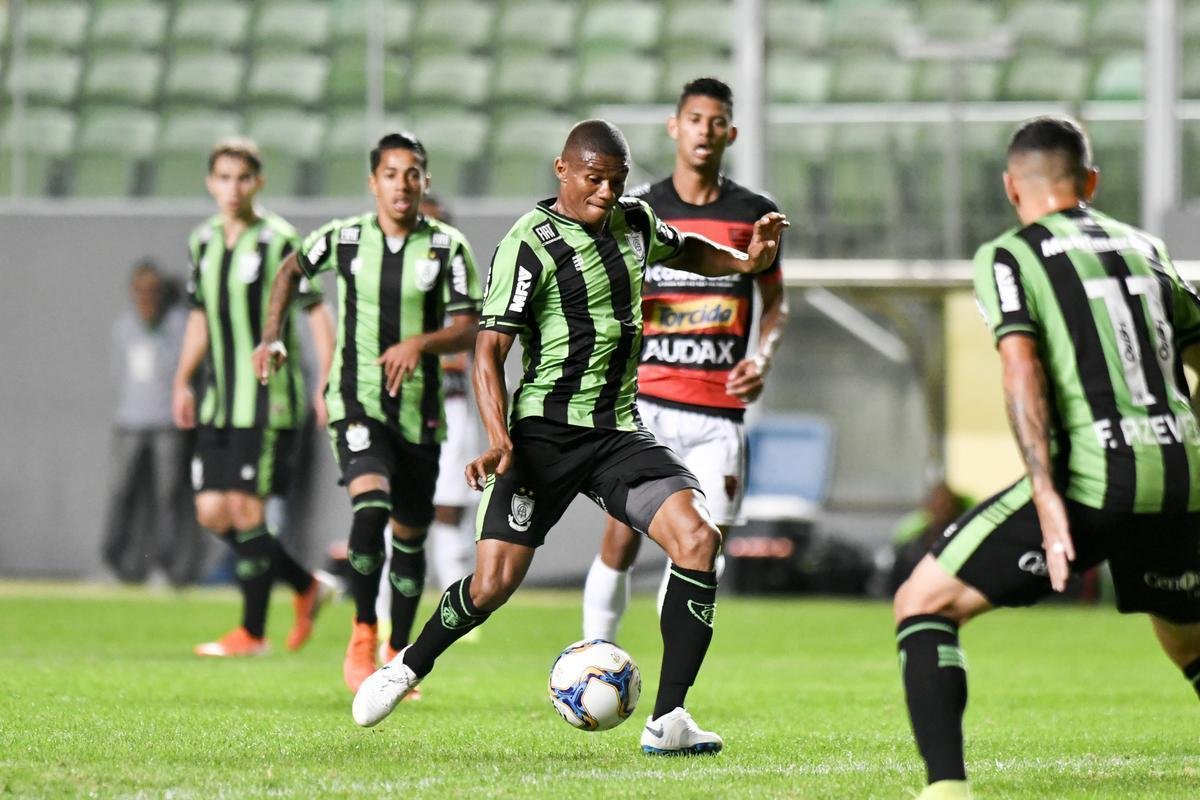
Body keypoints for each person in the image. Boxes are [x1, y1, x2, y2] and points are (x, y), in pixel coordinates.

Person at [350, 119, 788, 756]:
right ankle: (407, 665)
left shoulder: (634, 223)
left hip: (617, 434)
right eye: (594, 180)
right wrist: (500, 439)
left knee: (698, 540)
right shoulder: (529, 245)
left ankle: (669, 721)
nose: (607, 192)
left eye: (616, 180)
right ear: (563, 170)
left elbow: (686, 248)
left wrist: (746, 261)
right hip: (542, 438)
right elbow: (488, 351)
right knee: (491, 585)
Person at [892, 116, 1200, 800]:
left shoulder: (1008, 256)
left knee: (923, 602)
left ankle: (947, 792)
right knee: (1187, 641)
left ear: (1011, 188)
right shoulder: (1144, 247)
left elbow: (1021, 374)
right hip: (1181, 477)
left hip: (1093, 480)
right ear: (1089, 182)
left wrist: (1047, 497)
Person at [254, 133, 483, 694]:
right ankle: (361, 633)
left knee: (410, 537)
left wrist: (419, 344)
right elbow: (289, 271)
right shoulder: (346, 238)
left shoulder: (448, 247)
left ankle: (396, 653)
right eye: (391, 173)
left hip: (422, 410)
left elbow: (468, 326)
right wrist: (272, 338)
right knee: (370, 505)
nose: (402, 184)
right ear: (373, 182)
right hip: (355, 398)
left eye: (413, 174)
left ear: (424, 181)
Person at [580, 77, 789, 642]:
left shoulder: (755, 213)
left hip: (719, 413)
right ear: (676, 126)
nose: (705, 130)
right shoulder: (640, 210)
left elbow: (775, 306)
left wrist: (762, 359)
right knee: (620, 538)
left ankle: (673, 685)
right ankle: (597, 654)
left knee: (703, 551)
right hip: (647, 404)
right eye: (695, 119)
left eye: (716, 121)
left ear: (731, 133)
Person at [173, 137, 337, 657]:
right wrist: (182, 379)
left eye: (242, 178)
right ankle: (306, 585)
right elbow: (200, 317)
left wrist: (326, 380)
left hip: (270, 399)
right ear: (209, 182)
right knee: (209, 512)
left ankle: (252, 632)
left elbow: (315, 309)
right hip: (220, 400)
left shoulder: (280, 238)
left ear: (258, 182)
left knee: (246, 510)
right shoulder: (201, 241)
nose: (231, 187)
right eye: (222, 177)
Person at [103, 260, 203, 585]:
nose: (147, 298)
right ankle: (113, 564)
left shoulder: (179, 325)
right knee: (121, 493)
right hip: (129, 423)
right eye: (140, 291)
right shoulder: (124, 328)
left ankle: (164, 567)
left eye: (153, 291)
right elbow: (119, 374)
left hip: (166, 425)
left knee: (168, 496)